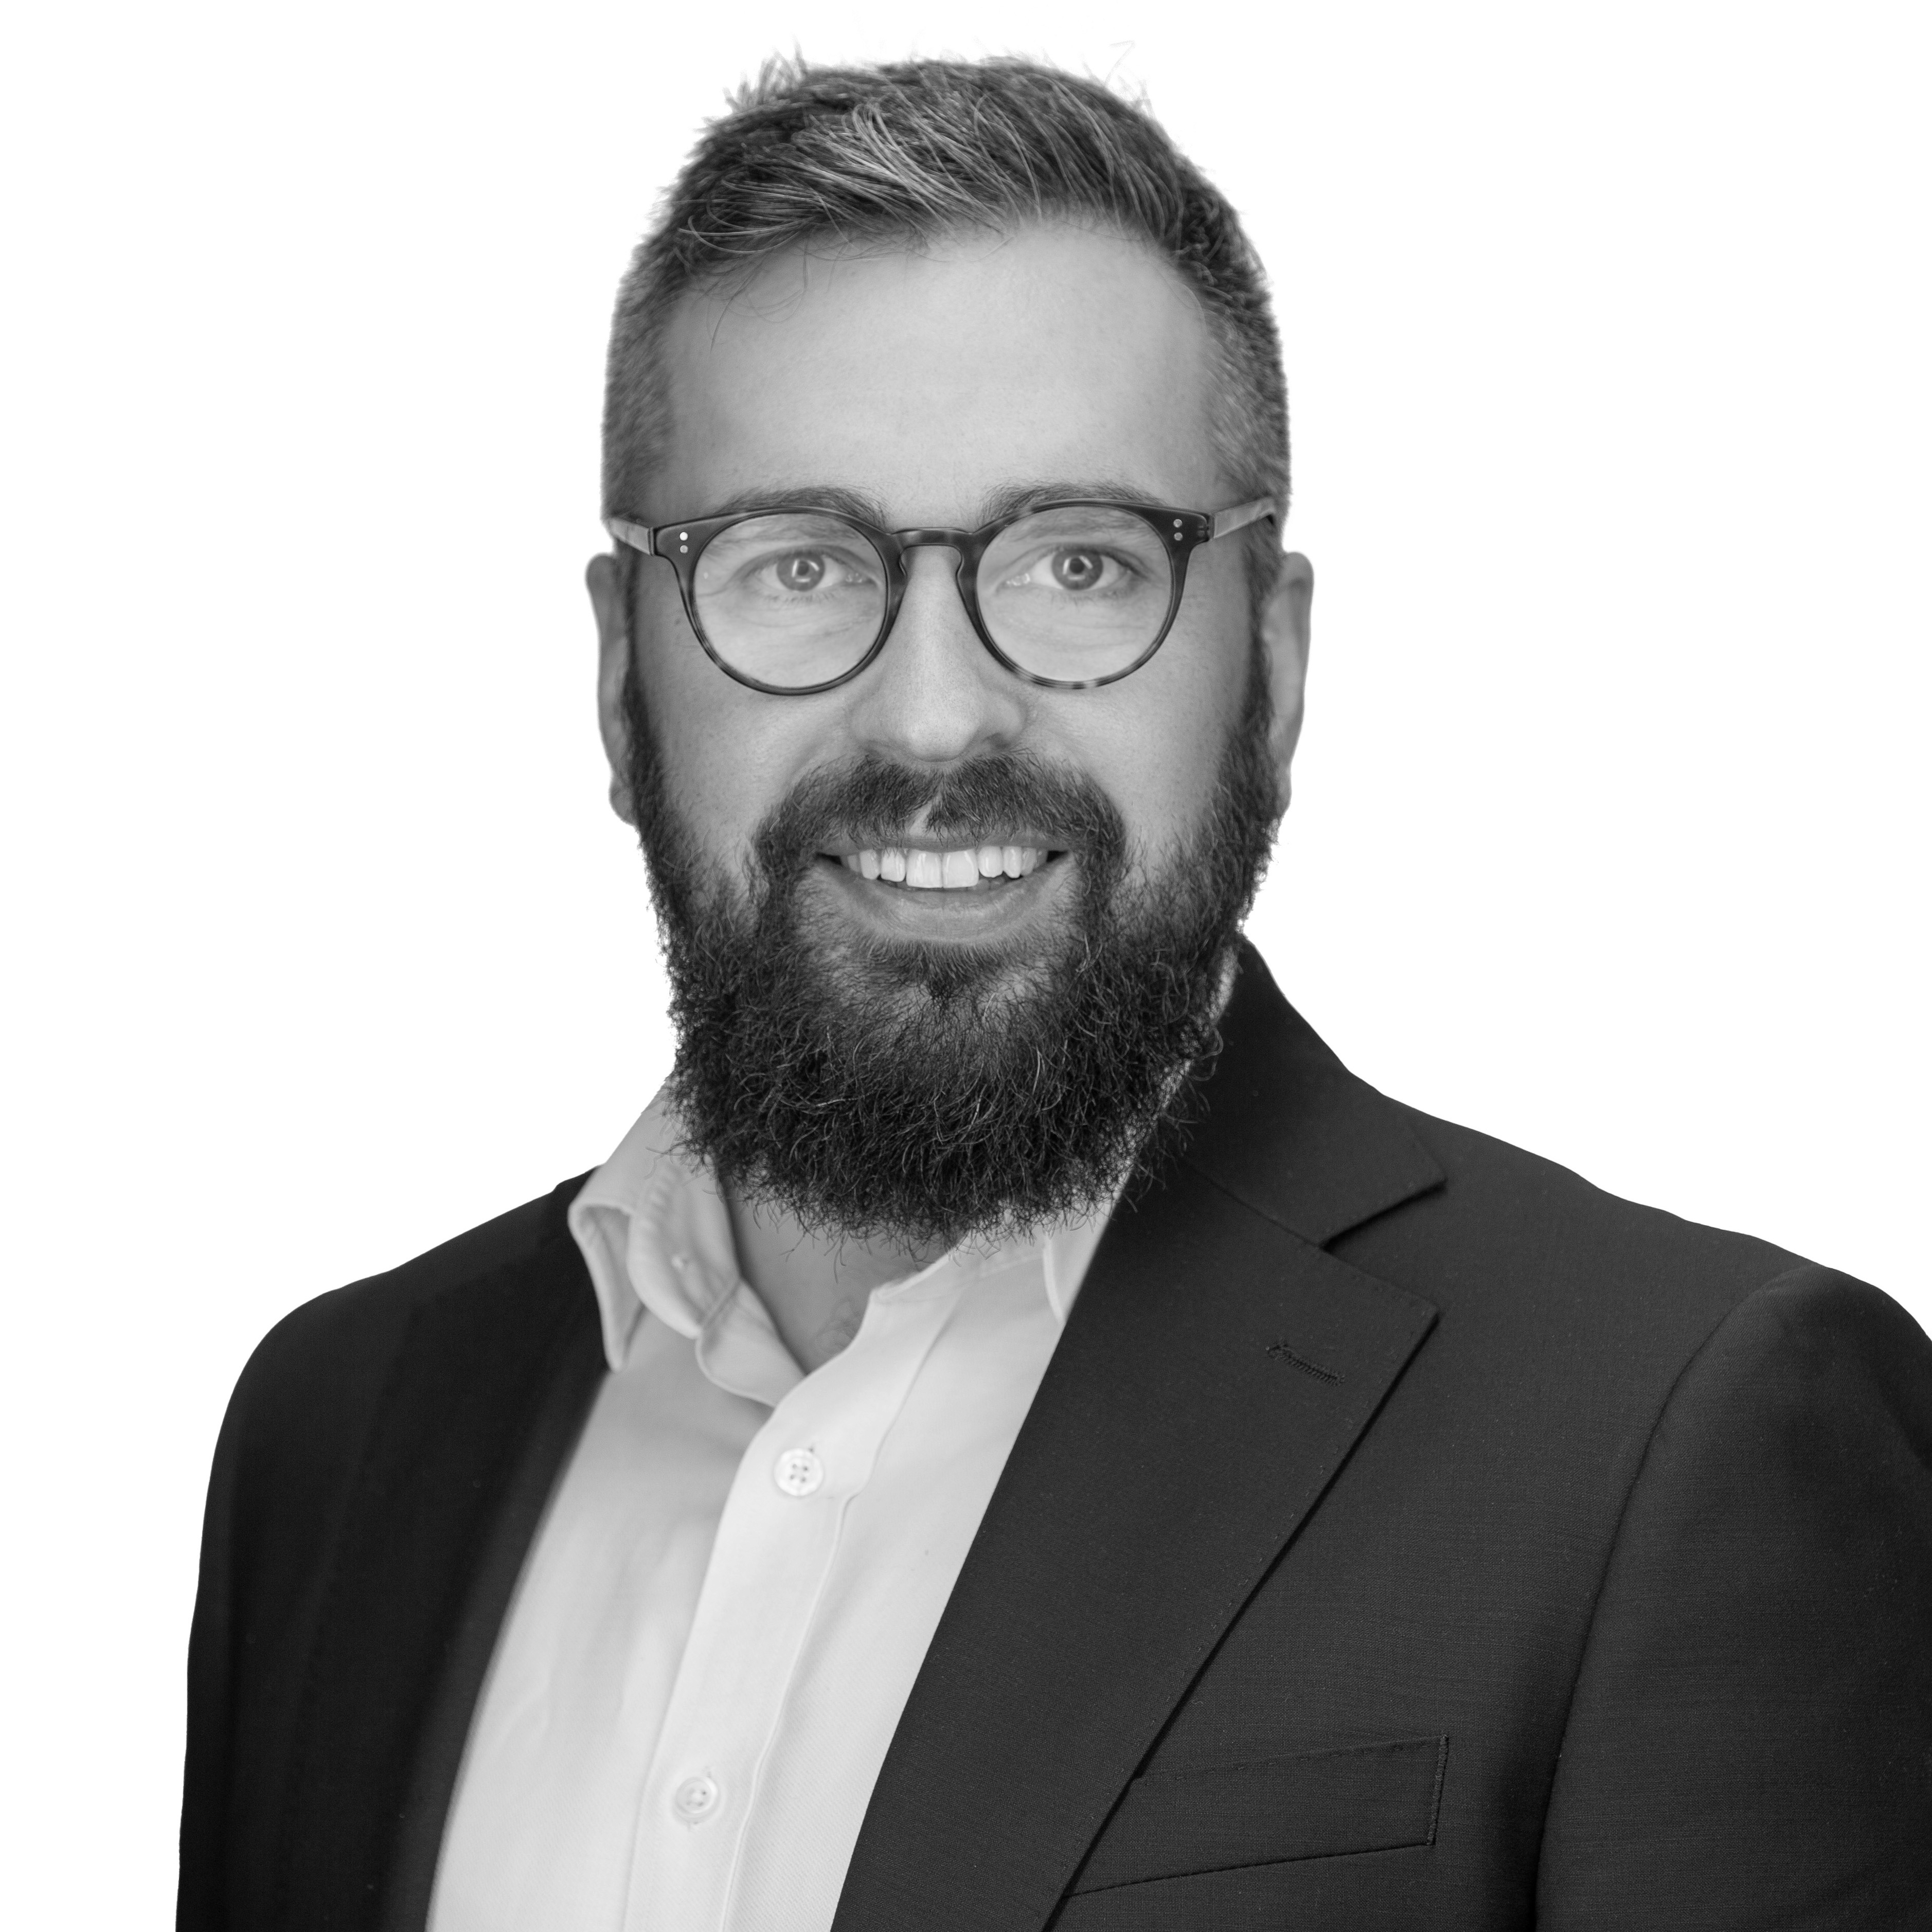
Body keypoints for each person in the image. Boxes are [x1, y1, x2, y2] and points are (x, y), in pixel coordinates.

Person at [177, 55, 1932, 1932]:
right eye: (795, 565)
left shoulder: (1686, 1435)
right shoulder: (338, 1435)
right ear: (620, 678)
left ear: (1268, 660)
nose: (934, 715)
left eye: (1082, 564)